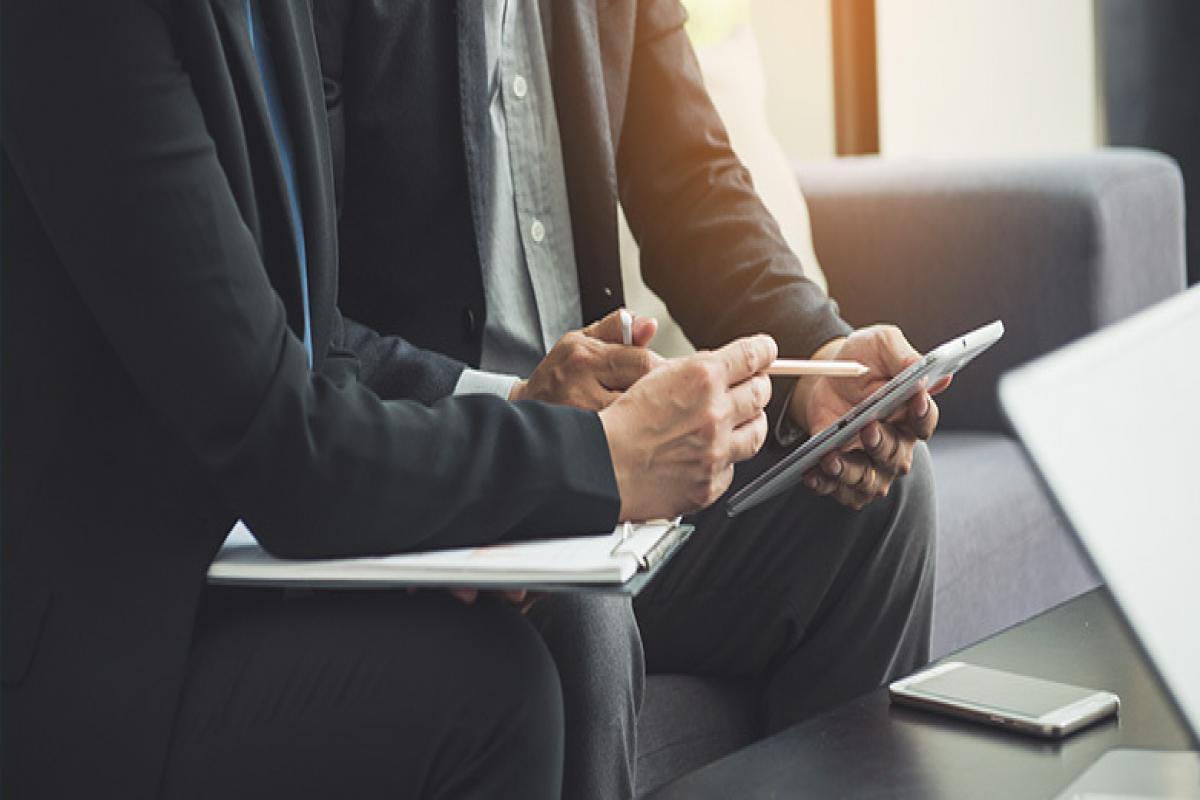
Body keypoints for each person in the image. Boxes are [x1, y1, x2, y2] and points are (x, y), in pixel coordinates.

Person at [0, 1, 780, 797]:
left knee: (517, 657)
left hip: (238, 555)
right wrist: (596, 463)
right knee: (495, 691)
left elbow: (313, 336)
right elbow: (278, 439)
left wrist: (493, 480)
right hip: (116, 637)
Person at [314, 2, 944, 797]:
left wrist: (819, 358)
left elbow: (692, 184)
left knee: (880, 508)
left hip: (619, 463)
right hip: (442, 470)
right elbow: (299, 321)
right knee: (577, 614)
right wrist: (514, 408)